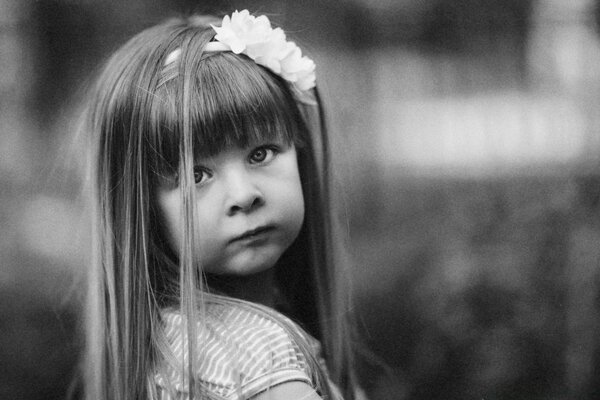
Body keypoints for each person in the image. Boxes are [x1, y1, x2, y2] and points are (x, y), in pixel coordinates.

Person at [82, 10, 357, 400]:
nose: (244, 195)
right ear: (141, 208)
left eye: (261, 153)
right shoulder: (261, 360)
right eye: (196, 176)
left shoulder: (168, 344)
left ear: (300, 151)